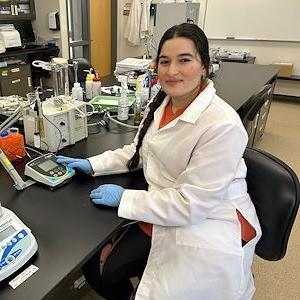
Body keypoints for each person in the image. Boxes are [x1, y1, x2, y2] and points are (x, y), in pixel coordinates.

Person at [57, 23, 261, 300]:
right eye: (164, 61)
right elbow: (140, 150)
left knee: (108, 271)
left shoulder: (221, 125)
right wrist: (94, 164)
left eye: (184, 60)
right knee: (99, 266)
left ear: (205, 66)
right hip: (167, 203)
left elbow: (192, 205)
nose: (172, 70)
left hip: (209, 218)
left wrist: (126, 199)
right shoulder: (164, 102)